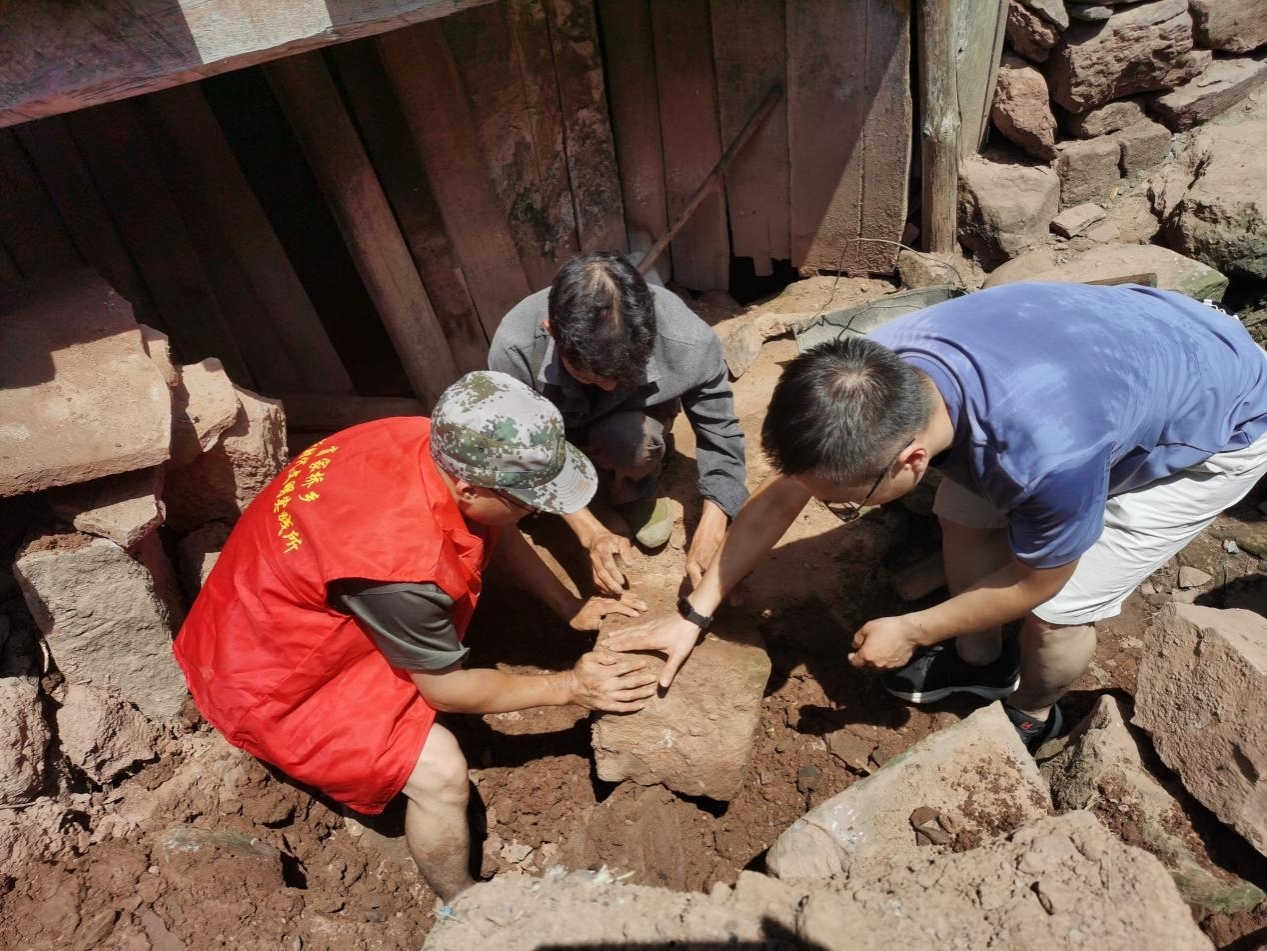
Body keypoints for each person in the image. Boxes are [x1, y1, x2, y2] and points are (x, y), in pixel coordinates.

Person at [607, 282, 1267, 750]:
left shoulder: (1044, 455)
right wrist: (695, 613)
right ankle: (977, 659)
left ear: (909, 459)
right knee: (961, 513)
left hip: (1219, 420)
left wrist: (914, 628)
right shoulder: (877, 371)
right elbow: (784, 494)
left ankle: (1033, 713)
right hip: (1127, 346)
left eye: (848, 500)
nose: (835, 507)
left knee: (1057, 615)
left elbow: (1040, 582)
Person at [174, 371, 654, 903]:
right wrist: (572, 687)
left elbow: (496, 520)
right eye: (528, 501)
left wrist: (567, 606)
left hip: (262, 598)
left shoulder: (428, 438)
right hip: (271, 673)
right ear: (470, 487)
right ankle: (463, 904)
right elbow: (445, 692)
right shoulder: (401, 565)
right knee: (441, 774)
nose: (534, 511)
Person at [488, 251, 748, 595]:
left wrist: (712, 527)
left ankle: (632, 488)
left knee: (632, 444)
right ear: (551, 331)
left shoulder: (689, 341)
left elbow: (721, 433)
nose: (609, 386)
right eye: (589, 375)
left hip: (629, 429)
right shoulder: (516, 349)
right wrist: (589, 532)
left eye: (623, 375)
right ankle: (586, 502)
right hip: (558, 441)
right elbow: (521, 450)